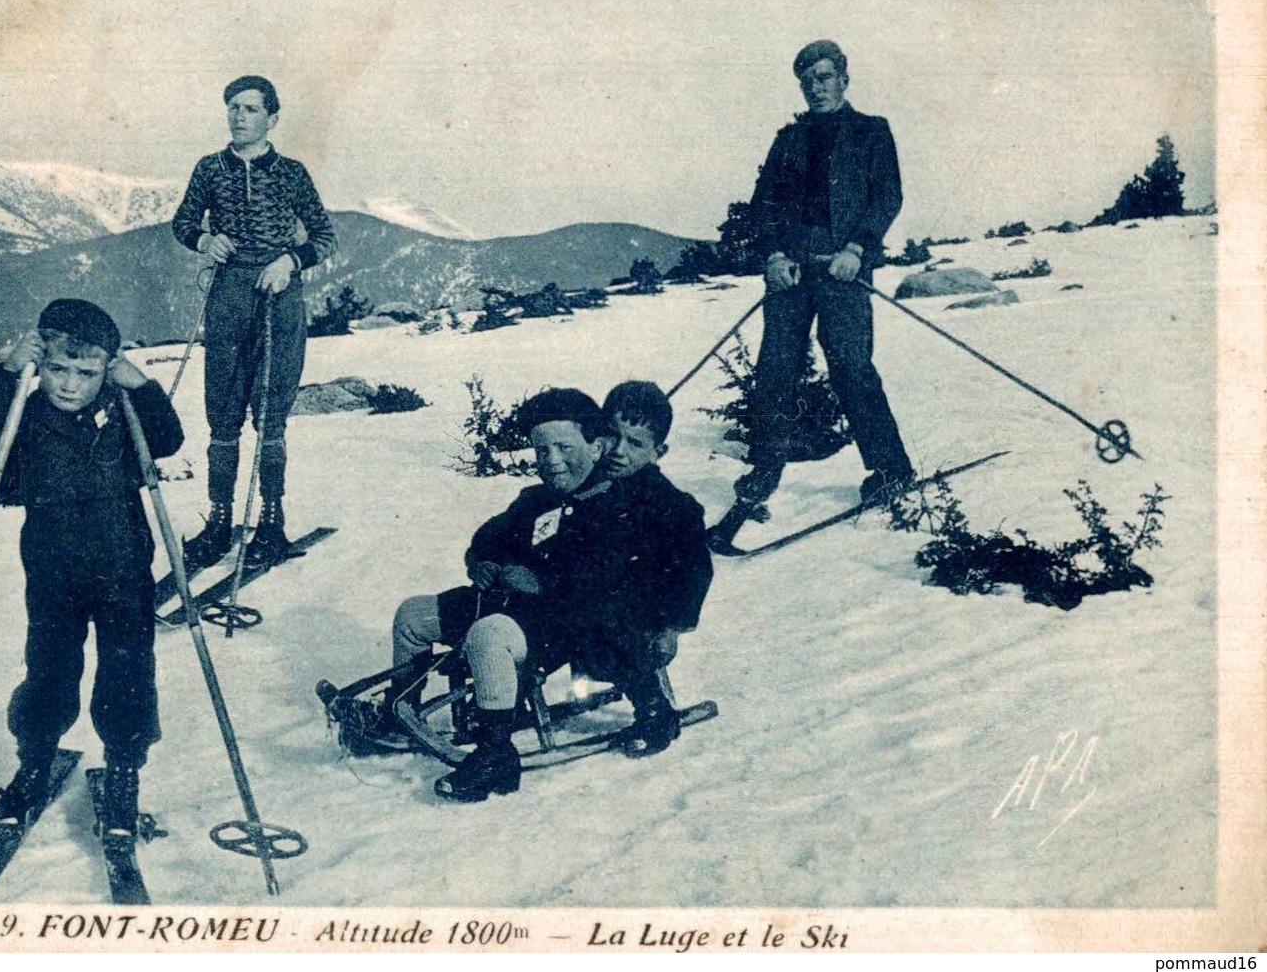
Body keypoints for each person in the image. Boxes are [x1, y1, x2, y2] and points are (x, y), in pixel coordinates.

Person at [352, 388, 710, 802]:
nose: (552, 460)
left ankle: (496, 753)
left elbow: (613, 579)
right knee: (414, 614)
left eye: (564, 448)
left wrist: (543, 584)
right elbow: (494, 535)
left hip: (572, 622)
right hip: (515, 604)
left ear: (594, 447)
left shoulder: (629, 508)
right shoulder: (541, 499)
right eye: (542, 451)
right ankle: (401, 707)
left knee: (492, 635)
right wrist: (483, 560)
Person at [0, 298, 184, 845]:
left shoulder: (121, 408)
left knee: (127, 669)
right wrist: (9, 370)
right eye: (57, 369)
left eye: (85, 374)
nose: (68, 385)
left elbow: (169, 439)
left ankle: (124, 770)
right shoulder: (28, 410)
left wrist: (141, 386)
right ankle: (34, 760)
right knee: (49, 667)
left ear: (104, 370)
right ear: (42, 363)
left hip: (123, 563)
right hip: (52, 562)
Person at [722, 39, 913, 539]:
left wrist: (857, 249)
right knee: (774, 369)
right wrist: (773, 255)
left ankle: (892, 470)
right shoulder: (787, 139)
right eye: (808, 80)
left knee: (850, 365)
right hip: (792, 273)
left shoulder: (872, 132)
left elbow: (887, 197)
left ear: (844, 79)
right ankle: (764, 473)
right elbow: (762, 205)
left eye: (825, 77)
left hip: (843, 269)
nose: (816, 87)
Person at [171, 75, 337, 570]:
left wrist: (290, 261)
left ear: (272, 118)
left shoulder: (291, 172)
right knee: (221, 410)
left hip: (280, 297)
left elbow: (325, 236)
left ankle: (271, 521)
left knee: (271, 413)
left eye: (249, 108)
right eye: (232, 107)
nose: (238, 116)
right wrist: (205, 242)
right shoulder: (209, 169)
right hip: (228, 296)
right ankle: (220, 519)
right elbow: (182, 223)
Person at [599, 380, 714, 753]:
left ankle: (655, 712)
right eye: (612, 436)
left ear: (658, 451)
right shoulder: (587, 484)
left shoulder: (672, 506)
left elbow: (694, 571)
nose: (618, 451)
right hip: (585, 598)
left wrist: (672, 626)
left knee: (612, 616)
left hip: (642, 611)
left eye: (635, 444)